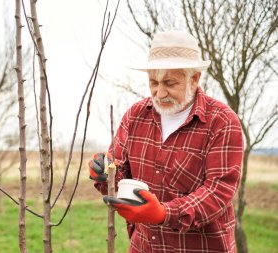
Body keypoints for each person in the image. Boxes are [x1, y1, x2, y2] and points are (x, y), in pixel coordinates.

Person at [88, 31, 244, 253]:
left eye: (170, 83)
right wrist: (104, 173)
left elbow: (218, 191)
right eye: (153, 82)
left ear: (194, 78)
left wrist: (164, 213)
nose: (159, 93)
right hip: (144, 247)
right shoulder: (135, 116)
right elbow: (119, 174)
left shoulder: (222, 122)